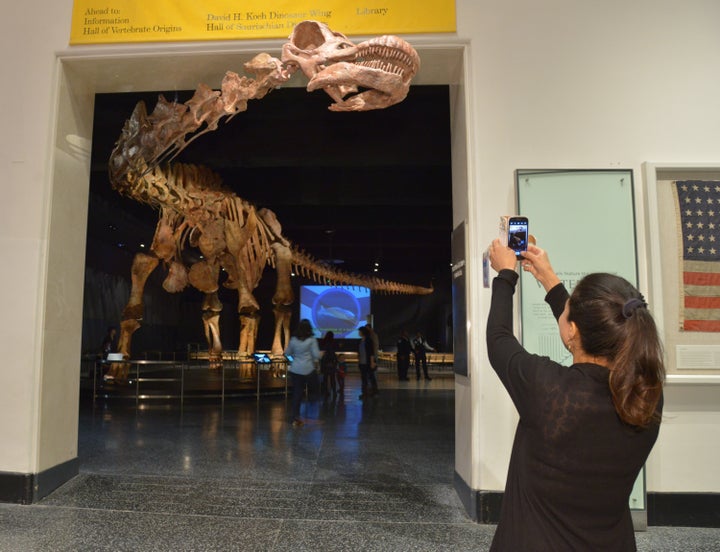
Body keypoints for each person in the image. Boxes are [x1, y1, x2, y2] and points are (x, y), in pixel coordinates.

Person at [486, 239, 665, 551]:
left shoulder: (545, 387)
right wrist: (548, 278)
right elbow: (588, 332)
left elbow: (498, 338)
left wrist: (506, 274)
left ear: (572, 331)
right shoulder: (647, 395)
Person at [284, 319, 322, 427]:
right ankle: (313, 402)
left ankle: (294, 417)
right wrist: (320, 354)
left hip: (295, 370)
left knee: (297, 393)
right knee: (315, 387)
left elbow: (287, 353)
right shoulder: (312, 340)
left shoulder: (293, 340)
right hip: (308, 370)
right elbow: (316, 355)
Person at [358, 325, 378, 399]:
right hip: (362, 362)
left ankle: (375, 392)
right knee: (364, 379)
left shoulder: (368, 340)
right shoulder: (361, 341)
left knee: (371, 377)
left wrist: (372, 362)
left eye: (360, 331)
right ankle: (364, 393)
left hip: (368, 362)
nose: (359, 333)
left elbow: (371, 352)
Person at [319, 331, 339, 398]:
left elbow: (322, 351)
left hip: (325, 361)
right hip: (332, 361)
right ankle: (334, 392)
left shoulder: (323, 342)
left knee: (325, 378)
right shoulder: (334, 342)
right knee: (332, 378)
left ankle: (326, 392)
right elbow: (336, 349)